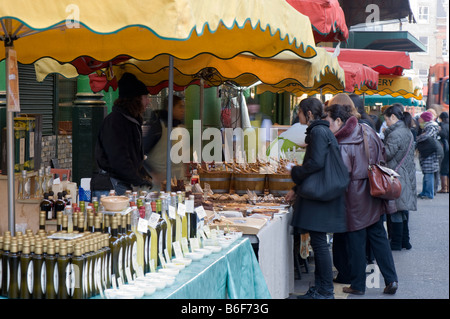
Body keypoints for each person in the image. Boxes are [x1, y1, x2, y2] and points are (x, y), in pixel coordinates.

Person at [324, 103, 399, 296]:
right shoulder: (367, 129)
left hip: (354, 195)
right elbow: (382, 153)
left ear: (339, 120)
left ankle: (357, 285)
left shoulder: (342, 140)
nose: (327, 125)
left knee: (356, 240)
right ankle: (391, 279)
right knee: (378, 237)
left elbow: (342, 173)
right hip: (374, 189)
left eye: (329, 121)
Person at [285, 97, 347, 299]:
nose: (298, 116)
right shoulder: (322, 131)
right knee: (319, 242)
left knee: (319, 243)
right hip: (322, 195)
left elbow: (316, 163)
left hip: (321, 197)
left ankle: (325, 290)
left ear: (309, 114)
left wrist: (295, 171)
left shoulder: (319, 132)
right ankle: (320, 288)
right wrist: (297, 187)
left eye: (300, 112)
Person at [91, 73, 152, 197]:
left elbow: (133, 156)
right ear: (136, 99)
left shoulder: (131, 121)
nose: (148, 101)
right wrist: (138, 180)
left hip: (120, 184)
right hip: (110, 187)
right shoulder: (115, 122)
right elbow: (119, 159)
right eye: (145, 97)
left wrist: (143, 174)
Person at [382, 104, 417, 250]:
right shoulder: (406, 130)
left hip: (397, 175)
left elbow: (387, 154)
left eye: (387, 120)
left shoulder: (396, 134)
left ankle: (396, 243)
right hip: (406, 174)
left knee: (395, 209)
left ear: (393, 117)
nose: (386, 123)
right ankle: (405, 241)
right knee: (403, 209)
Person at [143, 95, 186, 191]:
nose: (183, 110)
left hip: (177, 185)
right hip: (159, 188)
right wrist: (153, 173)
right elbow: (141, 153)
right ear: (170, 107)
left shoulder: (180, 127)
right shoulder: (156, 128)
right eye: (180, 106)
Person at [416, 111, 442, 199]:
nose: (419, 120)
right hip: (427, 153)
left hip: (430, 154)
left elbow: (426, 136)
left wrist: (418, 138)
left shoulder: (431, 126)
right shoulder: (429, 126)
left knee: (428, 174)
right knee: (427, 174)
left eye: (421, 118)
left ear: (425, 119)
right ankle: (425, 192)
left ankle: (429, 193)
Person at [437, 112, 449, 193]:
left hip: (446, 149)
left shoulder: (443, 125)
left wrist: (439, 131)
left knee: (444, 168)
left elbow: (443, 135)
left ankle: (444, 188)